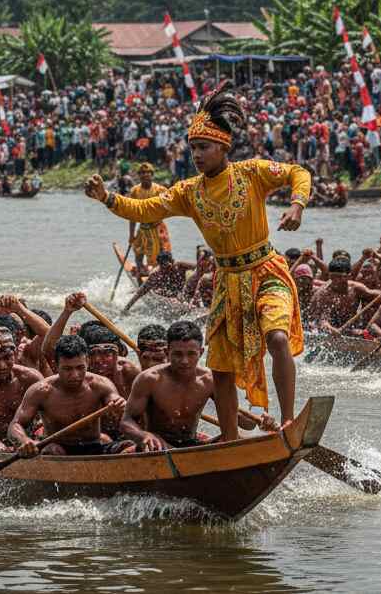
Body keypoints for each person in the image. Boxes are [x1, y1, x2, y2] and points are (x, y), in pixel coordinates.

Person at [85, 82, 310, 440]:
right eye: (192, 149)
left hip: (266, 269)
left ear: (223, 147)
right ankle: (232, 440)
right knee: (220, 366)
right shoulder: (188, 192)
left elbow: (299, 172)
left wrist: (297, 205)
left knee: (278, 339)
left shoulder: (252, 172)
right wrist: (106, 198)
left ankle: (287, 420)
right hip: (228, 279)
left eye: (203, 147)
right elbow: (145, 210)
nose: (196, 155)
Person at [121, 320, 275, 451]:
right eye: (178, 354)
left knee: (236, 438)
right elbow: (126, 422)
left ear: (200, 353)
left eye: (191, 354)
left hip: (192, 445)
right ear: (167, 352)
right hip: (157, 447)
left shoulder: (210, 380)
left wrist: (259, 419)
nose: (184, 361)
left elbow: (242, 422)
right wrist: (144, 436)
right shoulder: (149, 379)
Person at [8, 335, 133, 456]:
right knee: (53, 450)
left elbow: (116, 404)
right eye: (67, 369)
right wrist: (24, 441)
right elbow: (15, 425)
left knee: (129, 446)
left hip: (93, 446)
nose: (75, 375)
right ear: (56, 366)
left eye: (80, 368)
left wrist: (119, 405)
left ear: (87, 362)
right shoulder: (41, 391)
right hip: (56, 449)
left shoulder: (100, 384)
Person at [309, 256, 381, 333]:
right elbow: (322, 320)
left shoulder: (356, 288)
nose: (335, 280)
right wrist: (331, 329)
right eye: (333, 276)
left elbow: (376, 295)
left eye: (339, 277)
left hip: (351, 327)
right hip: (326, 328)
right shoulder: (324, 294)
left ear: (348, 276)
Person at [126, 162, 172, 275]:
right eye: (142, 173)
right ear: (139, 176)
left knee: (159, 255)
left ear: (152, 175)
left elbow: (171, 207)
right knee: (137, 250)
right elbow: (132, 215)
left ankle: (159, 275)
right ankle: (140, 271)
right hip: (142, 227)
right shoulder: (134, 191)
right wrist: (131, 234)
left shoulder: (160, 190)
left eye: (147, 173)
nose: (145, 175)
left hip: (157, 228)